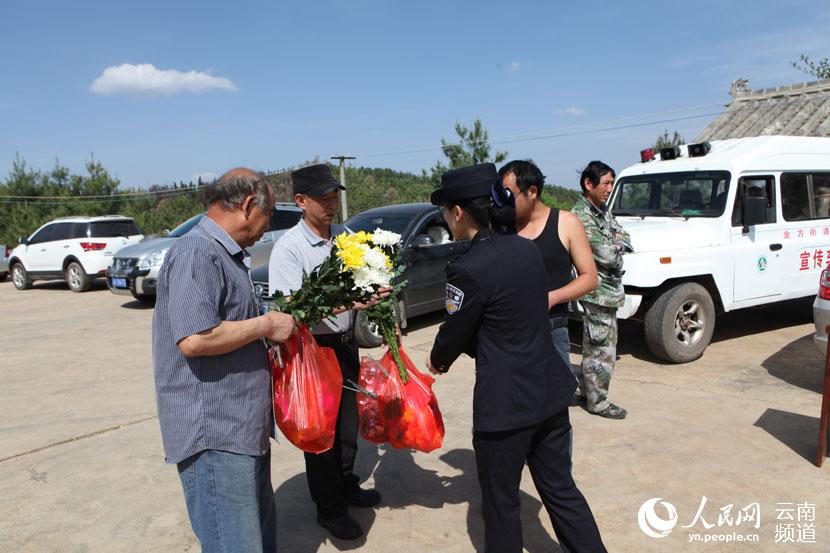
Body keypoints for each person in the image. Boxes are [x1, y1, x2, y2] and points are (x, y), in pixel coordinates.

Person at [426, 163, 608, 553]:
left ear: (458, 212)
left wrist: (438, 360)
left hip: (505, 408)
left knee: (502, 504)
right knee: (561, 490)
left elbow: (452, 337)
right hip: (550, 391)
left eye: (446, 210)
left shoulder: (467, 268)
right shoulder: (526, 250)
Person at [153, 167, 298, 553]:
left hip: (240, 427)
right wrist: (266, 324)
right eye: (267, 219)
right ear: (250, 205)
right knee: (235, 544)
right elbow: (195, 339)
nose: (265, 231)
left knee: (256, 537)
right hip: (216, 434)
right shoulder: (196, 252)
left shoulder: (223, 254)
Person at [268, 163, 383, 541]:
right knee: (321, 434)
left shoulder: (344, 237)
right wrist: (350, 300)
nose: (331, 204)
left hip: (345, 345)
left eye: (334, 196)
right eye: (323, 198)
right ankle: (329, 510)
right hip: (314, 350)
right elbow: (290, 309)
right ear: (300, 201)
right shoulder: (289, 249)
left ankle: (346, 484)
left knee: (348, 429)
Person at [498, 160, 598, 400]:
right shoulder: (504, 227)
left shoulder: (566, 223)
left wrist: (552, 298)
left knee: (555, 407)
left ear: (532, 192)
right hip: (509, 333)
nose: (504, 201)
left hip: (551, 330)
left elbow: (590, 278)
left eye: (509, 194)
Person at [571, 160, 632, 420]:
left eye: (611, 183)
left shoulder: (601, 212)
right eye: (606, 183)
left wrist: (618, 244)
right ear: (588, 183)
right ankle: (598, 402)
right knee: (600, 351)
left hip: (607, 293)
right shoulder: (582, 216)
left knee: (602, 347)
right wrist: (617, 248)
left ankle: (588, 391)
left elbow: (624, 236)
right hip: (596, 293)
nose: (609, 188)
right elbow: (607, 255)